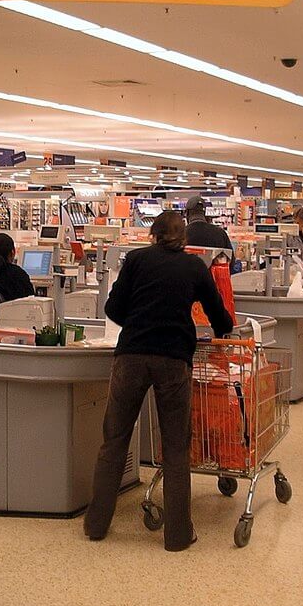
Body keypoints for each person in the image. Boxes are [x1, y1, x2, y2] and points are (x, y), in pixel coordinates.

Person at [84, 211, 233, 551]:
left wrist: (137, 319)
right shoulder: (195, 267)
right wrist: (223, 329)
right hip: (173, 360)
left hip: (131, 356)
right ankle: (178, 536)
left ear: (152, 235)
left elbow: (113, 308)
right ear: (183, 239)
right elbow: (217, 311)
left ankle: (96, 525)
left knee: (114, 440)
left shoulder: (136, 260)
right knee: (176, 448)